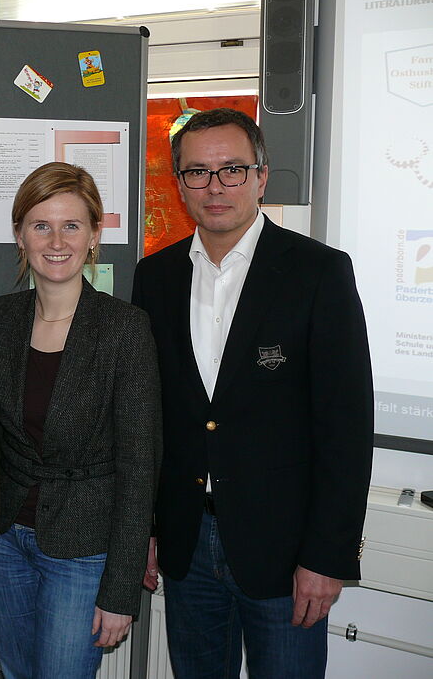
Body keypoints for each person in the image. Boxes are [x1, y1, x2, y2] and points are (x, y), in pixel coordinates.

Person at [132, 108, 373, 678]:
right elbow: (148, 418)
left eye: (233, 170)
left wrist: (326, 557)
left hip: (286, 555)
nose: (215, 188)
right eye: (198, 172)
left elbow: (346, 429)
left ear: (261, 177)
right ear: (180, 183)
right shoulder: (155, 277)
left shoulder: (319, 273)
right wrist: (143, 527)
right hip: (187, 543)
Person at [0, 162, 162, 679]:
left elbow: (139, 466)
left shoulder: (124, 329)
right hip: (7, 538)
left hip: (84, 549)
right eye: (41, 225)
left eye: (72, 225)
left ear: (95, 234)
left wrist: (122, 589)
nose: (56, 240)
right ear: (19, 235)